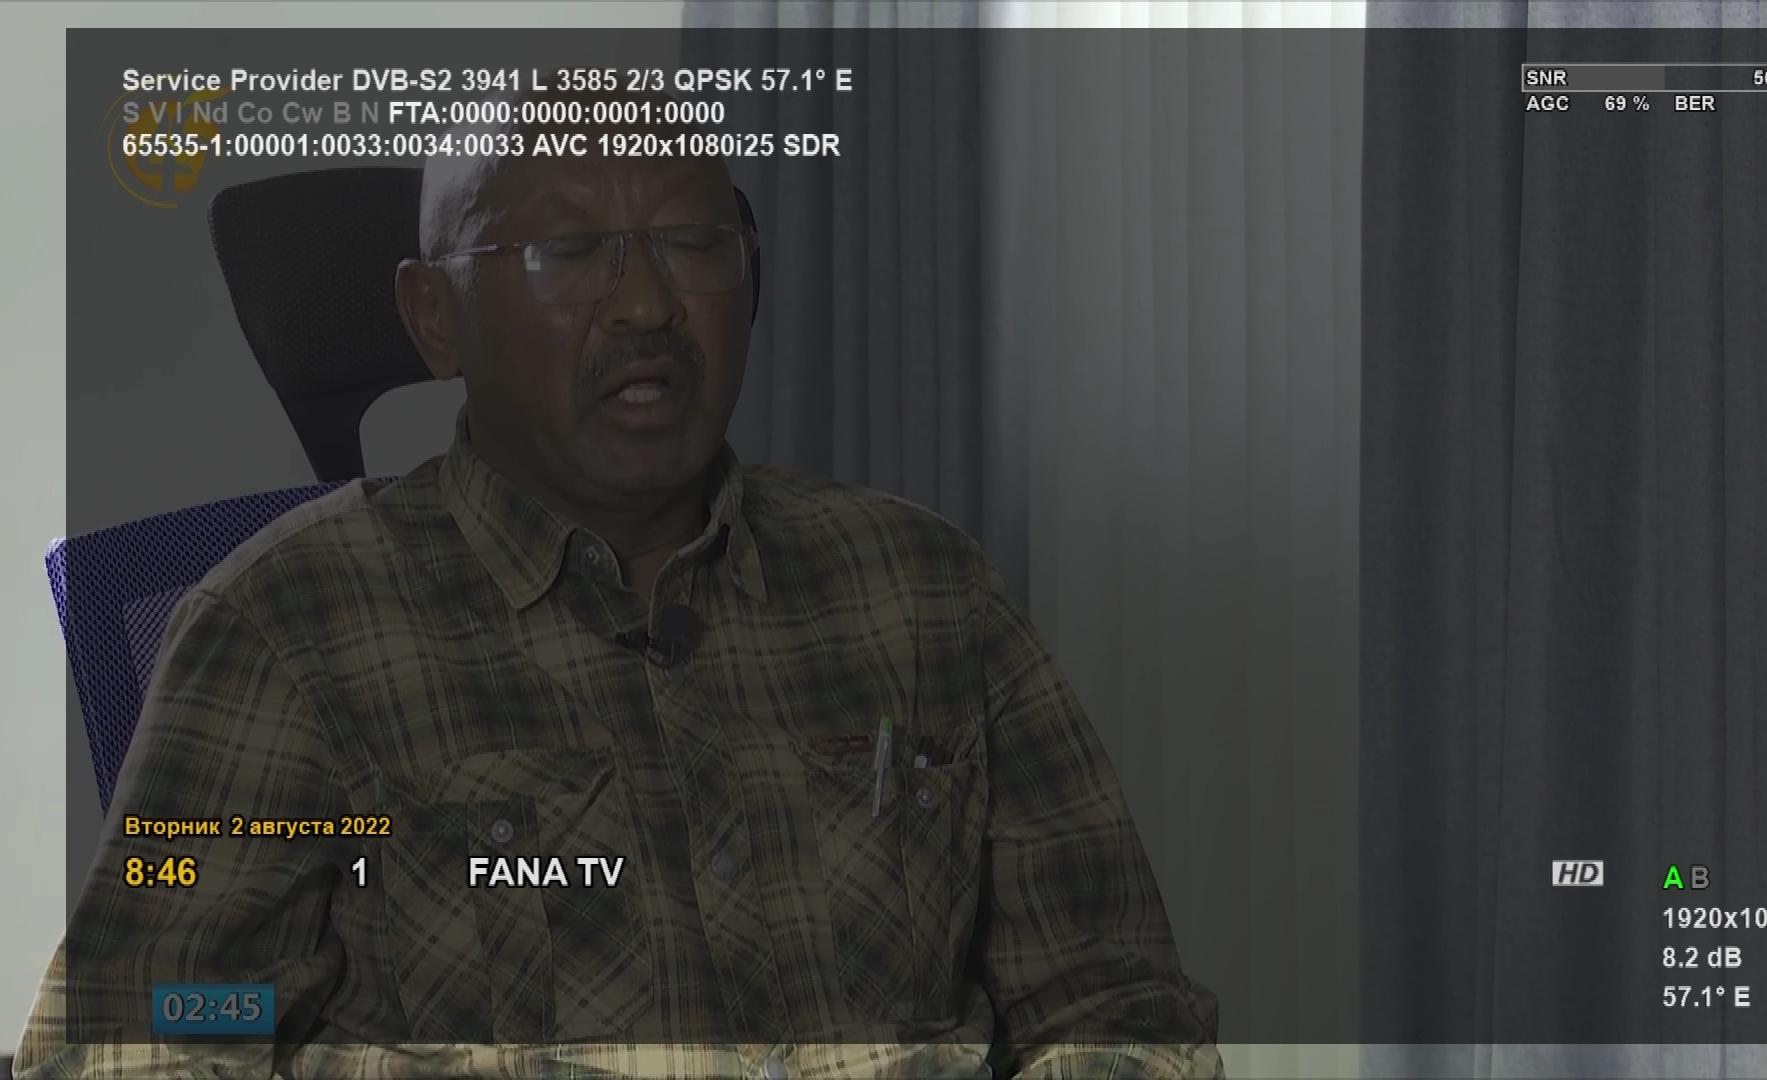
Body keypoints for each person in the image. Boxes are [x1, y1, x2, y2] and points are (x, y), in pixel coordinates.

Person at [15, 89, 1222, 1079]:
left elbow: (1111, 1001)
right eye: (566, 252)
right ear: (434, 318)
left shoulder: (923, 590)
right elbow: (139, 1039)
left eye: (694, 244)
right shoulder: (285, 630)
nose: (647, 304)